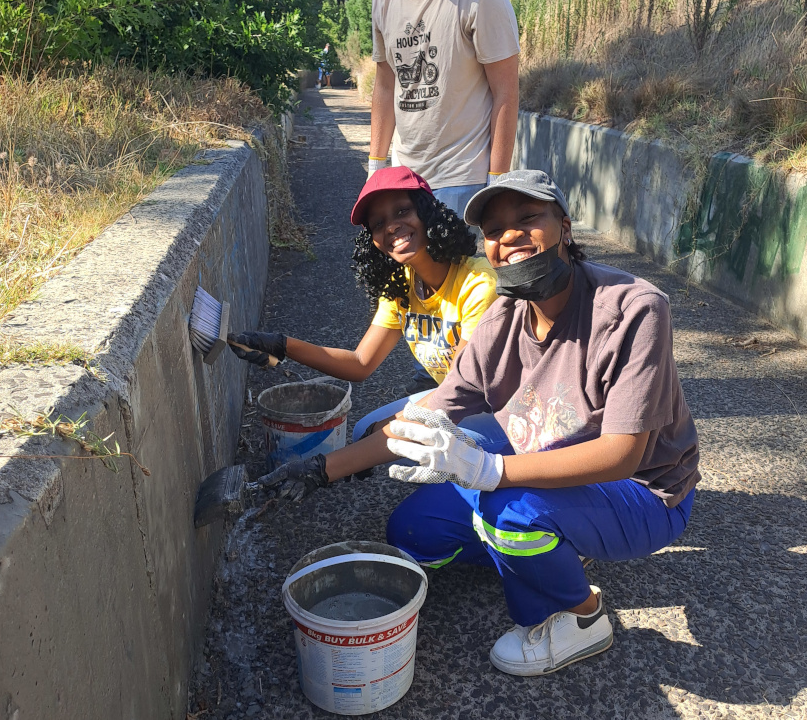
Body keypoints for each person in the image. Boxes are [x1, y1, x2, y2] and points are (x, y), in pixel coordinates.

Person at [255, 169, 700, 678]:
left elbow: (625, 454)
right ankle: (551, 542)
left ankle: (580, 617)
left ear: (565, 226)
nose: (509, 235)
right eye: (494, 229)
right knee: (411, 533)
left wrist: (492, 472)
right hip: (549, 463)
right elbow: (426, 416)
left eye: (528, 217)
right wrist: (317, 472)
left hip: (643, 492)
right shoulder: (502, 318)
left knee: (507, 508)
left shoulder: (631, 309)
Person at [229, 165, 500, 444]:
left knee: (398, 441)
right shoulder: (401, 283)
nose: (391, 226)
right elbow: (360, 363)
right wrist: (282, 345)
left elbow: (459, 389)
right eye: (378, 224)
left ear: (428, 211)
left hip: (499, 408)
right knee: (364, 431)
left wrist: (389, 429)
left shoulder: (478, 285)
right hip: (454, 398)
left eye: (402, 211)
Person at [368, 0, 521, 221]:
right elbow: (386, 85)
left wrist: (496, 183)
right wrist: (376, 167)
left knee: (457, 281)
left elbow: (506, 91)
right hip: (402, 181)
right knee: (404, 282)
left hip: (462, 183)